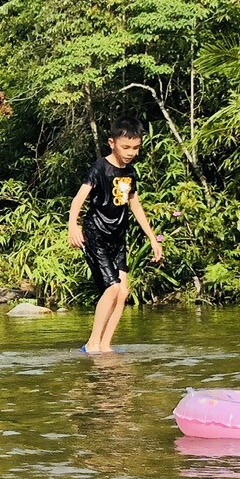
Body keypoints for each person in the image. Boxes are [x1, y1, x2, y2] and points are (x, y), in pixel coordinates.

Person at [65, 118, 164, 355]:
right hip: (96, 232)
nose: (131, 153)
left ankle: (105, 345)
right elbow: (78, 199)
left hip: (118, 237)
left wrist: (152, 238)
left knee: (123, 292)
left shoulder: (130, 172)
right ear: (112, 143)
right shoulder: (100, 167)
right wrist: (73, 226)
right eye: (125, 147)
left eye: (135, 148)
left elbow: (135, 205)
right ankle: (92, 344)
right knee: (111, 288)